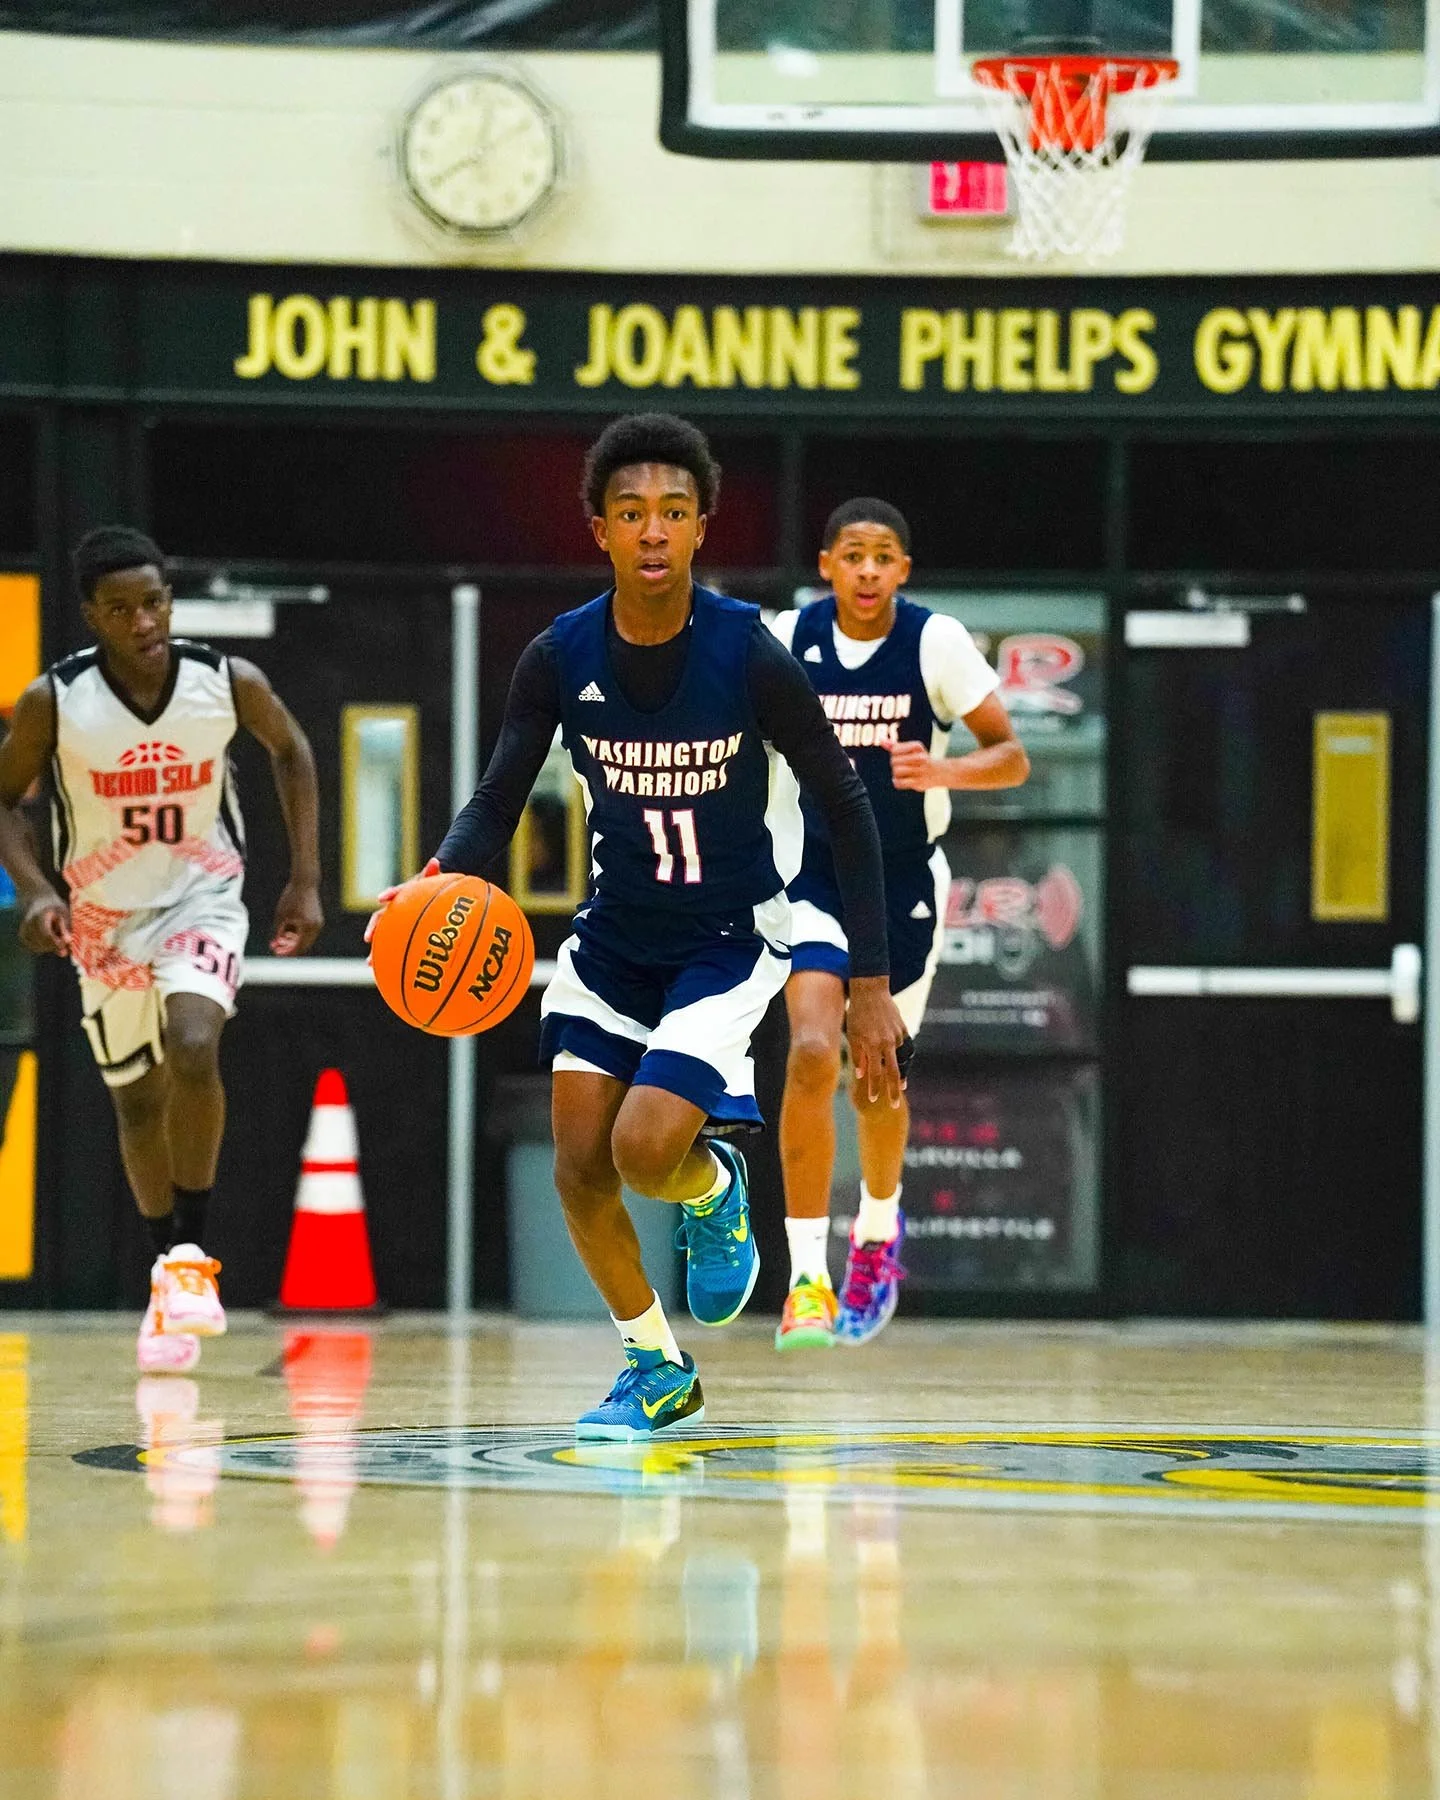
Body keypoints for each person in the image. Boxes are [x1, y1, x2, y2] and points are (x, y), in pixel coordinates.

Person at [369, 414, 906, 1439]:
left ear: (701, 527)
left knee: (646, 1149)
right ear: (599, 531)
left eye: (672, 512)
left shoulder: (747, 651)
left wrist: (871, 984)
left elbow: (843, 799)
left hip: (725, 940)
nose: (652, 532)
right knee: (579, 1160)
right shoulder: (559, 655)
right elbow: (498, 797)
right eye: (631, 514)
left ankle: (712, 1187)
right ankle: (655, 1366)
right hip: (615, 936)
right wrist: (436, 876)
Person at [0, 527, 323, 1371]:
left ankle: (190, 1257)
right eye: (121, 609)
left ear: (168, 601)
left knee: (192, 1042)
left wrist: (305, 880)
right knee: (136, 1104)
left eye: (154, 602)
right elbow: (5, 802)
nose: (143, 621)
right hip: (102, 916)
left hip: (202, 895)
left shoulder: (226, 682)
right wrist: (37, 891)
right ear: (91, 617)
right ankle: (163, 1267)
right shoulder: (55, 701)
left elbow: (291, 751)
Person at [770, 499, 1029, 1351]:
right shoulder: (787, 640)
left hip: (905, 882)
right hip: (812, 878)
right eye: (854, 556)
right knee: (812, 1050)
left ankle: (877, 1233)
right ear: (827, 565)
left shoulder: (935, 642)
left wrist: (944, 766)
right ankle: (806, 1276)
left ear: (903, 570)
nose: (869, 570)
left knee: (874, 1081)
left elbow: (1012, 754)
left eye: (885, 556)